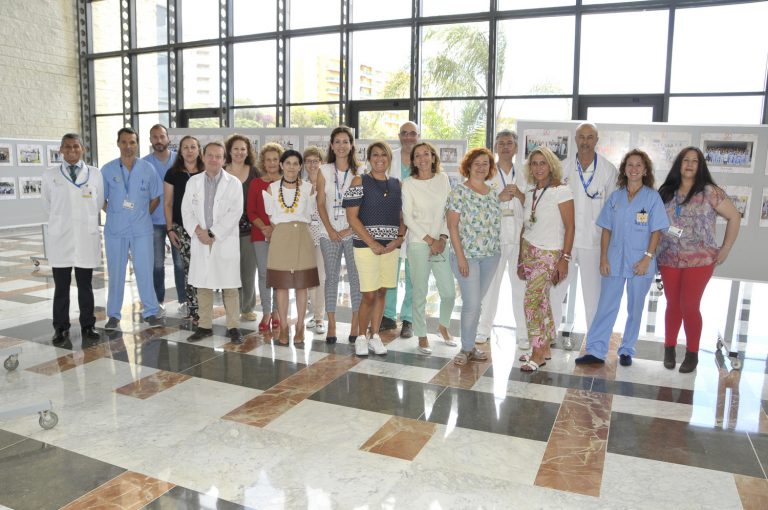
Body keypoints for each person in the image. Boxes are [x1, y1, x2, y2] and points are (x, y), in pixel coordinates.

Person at [575, 149, 668, 367]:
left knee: (635, 307)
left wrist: (647, 258)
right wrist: (603, 259)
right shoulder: (615, 197)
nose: (634, 169)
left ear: (645, 171)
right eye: (630, 165)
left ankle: (627, 349)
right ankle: (596, 350)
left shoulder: (652, 197)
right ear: (624, 170)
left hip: (641, 263)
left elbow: (656, 231)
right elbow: (606, 229)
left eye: (638, 165)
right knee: (606, 305)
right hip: (614, 260)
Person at [657, 147, 740, 373]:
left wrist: (726, 247)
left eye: (695, 161)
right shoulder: (665, 192)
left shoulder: (710, 192)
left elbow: (734, 216)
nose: (690, 164)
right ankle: (669, 348)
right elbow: (655, 224)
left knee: (690, 305)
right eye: (686, 160)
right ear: (679, 164)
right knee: (673, 304)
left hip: (700, 260)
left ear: (700, 165)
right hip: (669, 258)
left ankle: (692, 353)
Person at [551, 123, 618, 337]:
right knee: (556, 291)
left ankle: (595, 342)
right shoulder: (563, 168)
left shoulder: (608, 170)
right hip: (565, 242)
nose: (585, 141)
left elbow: (612, 210)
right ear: (575, 139)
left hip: (594, 242)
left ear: (597, 140)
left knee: (593, 296)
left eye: (590, 137)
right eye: (582, 137)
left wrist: (608, 249)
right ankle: (548, 337)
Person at [41, 133, 103, 347]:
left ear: (82, 149)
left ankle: (88, 324)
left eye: (76, 146)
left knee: (85, 285)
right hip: (61, 237)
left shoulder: (94, 174)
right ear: (61, 150)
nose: (72, 150)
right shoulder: (50, 175)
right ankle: (60, 327)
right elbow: (48, 205)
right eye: (67, 147)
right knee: (61, 286)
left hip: (85, 237)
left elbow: (98, 202)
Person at [517, 146, 575, 372]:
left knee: (530, 302)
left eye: (543, 163)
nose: (539, 167)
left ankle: (537, 351)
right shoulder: (531, 192)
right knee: (541, 300)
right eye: (534, 163)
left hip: (549, 253)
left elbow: (570, 226)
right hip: (529, 251)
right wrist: (520, 261)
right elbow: (526, 226)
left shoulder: (562, 190)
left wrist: (565, 259)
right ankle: (546, 346)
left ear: (551, 165)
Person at [344, 141, 405, 356]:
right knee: (369, 295)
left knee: (382, 292)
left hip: (390, 248)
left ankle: (375, 336)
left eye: (384, 155)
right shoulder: (360, 181)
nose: (380, 159)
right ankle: (361, 336)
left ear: (390, 159)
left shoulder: (398, 184)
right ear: (369, 159)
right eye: (375, 155)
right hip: (365, 247)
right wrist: (372, 243)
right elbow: (352, 218)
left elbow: (403, 217)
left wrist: (398, 239)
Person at [182, 141, 244, 344]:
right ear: (203, 156)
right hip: (201, 239)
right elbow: (186, 210)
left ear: (224, 160)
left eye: (218, 156)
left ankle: (234, 327)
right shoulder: (193, 182)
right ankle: (204, 326)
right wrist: (198, 231)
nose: (214, 159)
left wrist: (213, 233)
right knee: (203, 285)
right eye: (210, 155)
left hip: (222, 240)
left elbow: (235, 212)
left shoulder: (233, 183)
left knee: (230, 287)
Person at [101, 127, 163, 329]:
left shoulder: (147, 168)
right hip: (115, 230)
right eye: (124, 142)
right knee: (116, 272)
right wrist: (115, 214)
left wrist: (142, 213)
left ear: (137, 144)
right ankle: (113, 314)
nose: (128, 147)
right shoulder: (108, 170)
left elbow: (155, 198)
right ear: (118, 144)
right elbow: (101, 199)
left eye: (132, 142)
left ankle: (151, 311)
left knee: (144, 270)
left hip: (141, 230)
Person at [447, 148, 501, 366]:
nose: (481, 167)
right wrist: (460, 258)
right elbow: (452, 226)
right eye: (477, 163)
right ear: (468, 166)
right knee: (471, 303)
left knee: (477, 303)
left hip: (491, 256)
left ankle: (471, 346)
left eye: (485, 164)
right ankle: (466, 348)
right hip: (466, 256)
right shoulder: (459, 192)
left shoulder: (493, 192)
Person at [402, 142, 456, 355]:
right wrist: (429, 240)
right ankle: (421, 334)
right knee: (419, 292)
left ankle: (443, 326)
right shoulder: (408, 183)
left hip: (441, 241)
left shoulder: (443, 180)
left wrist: (442, 237)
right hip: (418, 243)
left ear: (433, 158)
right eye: (418, 155)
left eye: (427, 154)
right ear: (413, 161)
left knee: (449, 293)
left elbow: (448, 211)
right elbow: (407, 217)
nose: (422, 158)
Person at [262, 150, 320, 345]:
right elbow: (270, 216)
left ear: (300, 166)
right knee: (282, 284)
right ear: (281, 165)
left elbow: (310, 213)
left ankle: (301, 326)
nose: (292, 167)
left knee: (302, 284)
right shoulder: (271, 188)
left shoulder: (308, 188)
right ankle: (284, 327)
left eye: (296, 163)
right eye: (288, 163)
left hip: (303, 235)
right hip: (280, 236)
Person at [477, 130, 528, 348]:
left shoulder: (526, 173)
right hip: (494, 238)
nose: (506, 147)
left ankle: (524, 334)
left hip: (518, 236)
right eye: (501, 143)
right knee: (491, 287)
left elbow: (534, 204)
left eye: (510, 143)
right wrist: (499, 198)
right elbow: (478, 204)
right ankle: (483, 329)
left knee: (520, 288)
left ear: (516, 148)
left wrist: (519, 195)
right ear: (495, 147)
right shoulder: (486, 172)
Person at [316, 126, 362, 344]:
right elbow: (320, 203)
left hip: (353, 232)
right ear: (332, 146)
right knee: (331, 277)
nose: (342, 146)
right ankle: (331, 323)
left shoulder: (359, 172)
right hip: (329, 233)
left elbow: (364, 206)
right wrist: (332, 230)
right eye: (338, 142)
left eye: (346, 141)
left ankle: (355, 322)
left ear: (351, 145)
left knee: (356, 278)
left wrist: (349, 229)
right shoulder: (323, 170)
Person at [381, 121, 419, 338]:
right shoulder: (390, 158)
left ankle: (408, 318)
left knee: (414, 272)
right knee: (390, 269)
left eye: (412, 133)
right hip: (392, 221)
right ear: (399, 136)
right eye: (404, 133)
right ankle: (387, 315)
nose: (408, 137)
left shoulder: (423, 159)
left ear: (418, 135)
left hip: (416, 224)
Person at [164, 135, 204, 324]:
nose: (189, 150)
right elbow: (168, 203)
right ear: (180, 151)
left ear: (198, 150)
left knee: (204, 269)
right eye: (185, 147)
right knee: (187, 268)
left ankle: (204, 308)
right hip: (182, 228)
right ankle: (194, 309)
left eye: (193, 147)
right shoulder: (172, 174)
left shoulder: (207, 172)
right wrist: (170, 229)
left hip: (204, 228)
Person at [246, 143, 283, 332]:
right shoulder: (256, 183)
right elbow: (251, 211)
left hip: (282, 236)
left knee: (277, 274)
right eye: (268, 160)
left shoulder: (287, 182)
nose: (271, 163)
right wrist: (265, 228)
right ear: (263, 162)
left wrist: (275, 229)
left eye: (275, 159)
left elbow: (289, 211)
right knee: (263, 274)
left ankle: (277, 312)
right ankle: (266, 312)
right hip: (259, 234)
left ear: (280, 161)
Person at [224, 134, 261, 322]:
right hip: (225, 232)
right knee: (230, 271)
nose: (239, 152)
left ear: (248, 152)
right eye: (236, 148)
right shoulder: (221, 172)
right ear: (229, 150)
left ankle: (247, 308)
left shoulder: (254, 172)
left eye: (243, 149)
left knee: (248, 271)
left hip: (249, 231)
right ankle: (232, 308)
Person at [142, 124, 178, 312]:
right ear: (150, 140)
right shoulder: (144, 163)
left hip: (176, 221)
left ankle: (184, 301)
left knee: (180, 262)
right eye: (155, 137)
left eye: (162, 136)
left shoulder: (178, 160)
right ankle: (158, 300)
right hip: (154, 221)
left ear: (168, 139)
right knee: (157, 263)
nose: (159, 140)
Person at [303, 146, 327, 335]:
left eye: (315, 161)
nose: (312, 165)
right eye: (308, 161)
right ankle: (315, 314)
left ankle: (320, 318)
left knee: (321, 277)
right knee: (310, 277)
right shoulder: (300, 185)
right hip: (305, 235)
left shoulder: (326, 183)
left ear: (321, 162)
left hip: (324, 234)